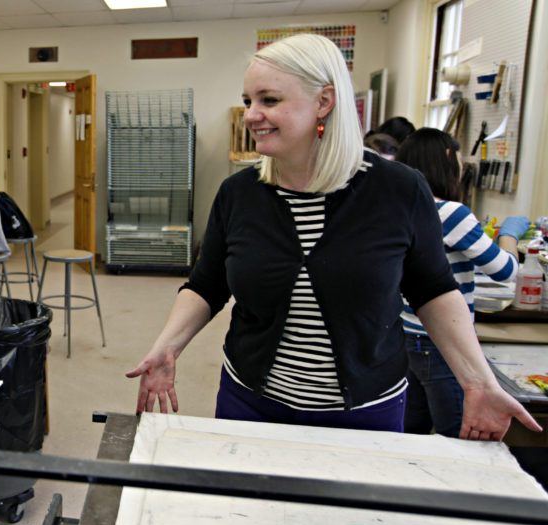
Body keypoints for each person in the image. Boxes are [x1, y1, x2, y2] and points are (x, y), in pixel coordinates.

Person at [126, 34, 541, 442]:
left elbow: (433, 291)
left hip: (366, 412)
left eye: (269, 100)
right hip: (250, 404)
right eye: (249, 100)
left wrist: (478, 382)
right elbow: (206, 285)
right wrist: (168, 346)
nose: (251, 114)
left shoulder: (400, 191)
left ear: (324, 102)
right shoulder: (239, 194)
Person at [396, 128, 527, 438]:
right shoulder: (450, 213)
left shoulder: (400, 206)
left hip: (407, 336)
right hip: (444, 341)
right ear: (445, 161)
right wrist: (510, 235)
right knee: (460, 434)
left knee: (411, 432)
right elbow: (505, 270)